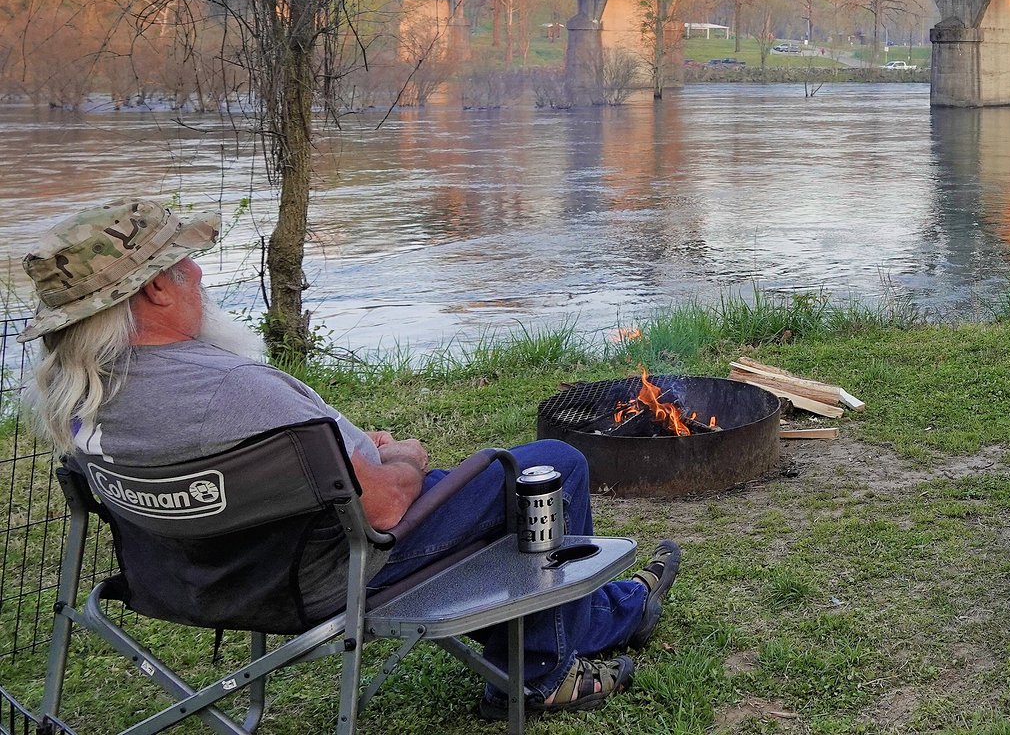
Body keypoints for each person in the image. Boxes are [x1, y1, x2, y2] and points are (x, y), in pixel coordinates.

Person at [22, 197, 679, 720]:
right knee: (549, 467)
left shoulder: (80, 396)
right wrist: (404, 458)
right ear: (153, 294)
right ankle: (545, 675)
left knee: (481, 497)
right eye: (182, 264)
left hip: (197, 575)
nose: (197, 273)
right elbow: (388, 505)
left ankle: (619, 608)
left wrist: (368, 461)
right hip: (334, 570)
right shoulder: (229, 390)